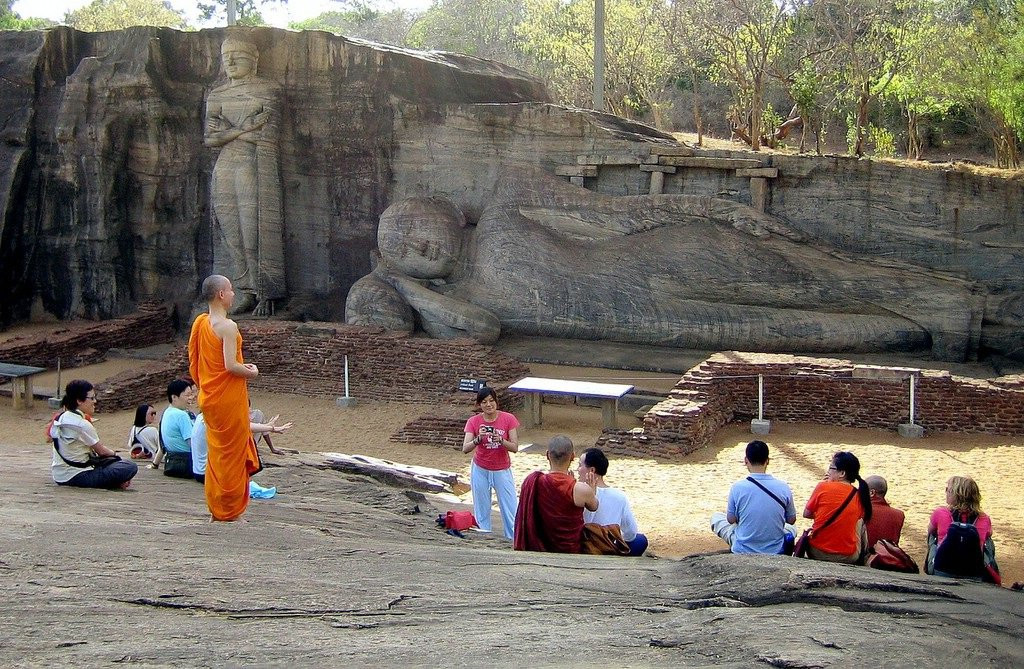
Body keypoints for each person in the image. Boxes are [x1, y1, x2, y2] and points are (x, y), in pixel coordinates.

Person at [204, 36, 286, 317]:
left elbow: (268, 134)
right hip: (225, 166)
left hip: (253, 166)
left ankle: (263, 291)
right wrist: (243, 128)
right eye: (226, 55)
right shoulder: (217, 95)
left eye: (237, 54)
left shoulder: (267, 90)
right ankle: (244, 290)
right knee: (232, 235)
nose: (230, 61)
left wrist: (229, 130)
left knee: (254, 232)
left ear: (254, 59)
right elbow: (210, 138)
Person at [189, 274, 263, 522]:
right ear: (221, 295)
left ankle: (216, 506)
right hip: (227, 398)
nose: (233, 294)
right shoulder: (228, 327)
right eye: (231, 290)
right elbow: (231, 366)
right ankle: (229, 510)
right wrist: (251, 371)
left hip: (210, 396)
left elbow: (198, 363)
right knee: (231, 453)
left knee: (218, 454)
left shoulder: (201, 323)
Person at [513, 435, 599, 553]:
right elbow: (594, 507)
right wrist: (591, 490)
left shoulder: (535, 482)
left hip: (539, 549)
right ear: (573, 456)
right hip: (571, 551)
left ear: (547, 455)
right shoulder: (581, 489)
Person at [710, 440, 797, 555]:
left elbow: (731, 519)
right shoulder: (783, 487)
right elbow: (791, 520)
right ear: (768, 461)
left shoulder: (737, 487)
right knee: (792, 528)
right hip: (774, 550)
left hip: (743, 548)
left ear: (746, 460)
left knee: (716, 517)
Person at [49, 379, 138, 490]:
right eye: (91, 398)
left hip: (59, 475)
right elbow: (101, 451)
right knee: (129, 466)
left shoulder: (60, 418)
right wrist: (115, 455)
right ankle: (116, 482)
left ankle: (115, 480)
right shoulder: (82, 424)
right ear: (79, 401)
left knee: (115, 465)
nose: (94, 401)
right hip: (79, 475)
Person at [462, 387, 520, 539]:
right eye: (484, 402)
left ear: (496, 401)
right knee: (481, 509)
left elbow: (514, 447)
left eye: (491, 401)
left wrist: (501, 440)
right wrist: (478, 439)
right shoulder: (473, 422)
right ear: (479, 405)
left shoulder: (508, 419)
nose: (488, 405)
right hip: (480, 468)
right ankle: (484, 539)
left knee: (510, 508)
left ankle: (513, 538)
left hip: (502, 469)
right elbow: (465, 448)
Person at [802, 451, 872, 564]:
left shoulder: (822, 486)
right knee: (858, 522)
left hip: (817, 551)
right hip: (848, 556)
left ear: (842, 473)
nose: (828, 472)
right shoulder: (859, 495)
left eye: (831, 468)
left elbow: (806, 514)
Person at [925, 476, 999, 583]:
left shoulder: (940, 512)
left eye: (948, 490)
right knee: (988, 540)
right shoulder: (984, 518)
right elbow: (989, 533)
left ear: (956, 495)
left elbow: (930, 531)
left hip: (942, 569)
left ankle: (930, 567)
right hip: (973, 571)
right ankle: (989, 570)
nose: (946, 492)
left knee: (933, 535)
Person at [578, 447, 648, 556]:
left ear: (591, 470)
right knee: (640, 540)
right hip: (609, 547)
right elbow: (631, 533)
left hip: (583, 547)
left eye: (580, 465)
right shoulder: (619, 496)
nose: (578, 469)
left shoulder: (578, 493)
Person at [192, 412, 292, 484]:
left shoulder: (203, 416)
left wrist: (268, 427)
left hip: (201, 471)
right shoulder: (213, 417)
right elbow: (243, 426)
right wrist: (270, 427)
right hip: (208, 474)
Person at [156, 379, 196, 478]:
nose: (191, 398)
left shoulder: (167, 412)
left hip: (172, 461)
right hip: (187, 463)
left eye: (191, 394)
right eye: (187, 395)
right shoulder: (181, 415)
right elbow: (192, 443)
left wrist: (155, 464)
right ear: (174, 397)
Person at [864, 475, 905, 547]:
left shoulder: (860, 511)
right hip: (888, 556)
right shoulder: (899, 514)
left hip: (864, 556)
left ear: (872, 493)